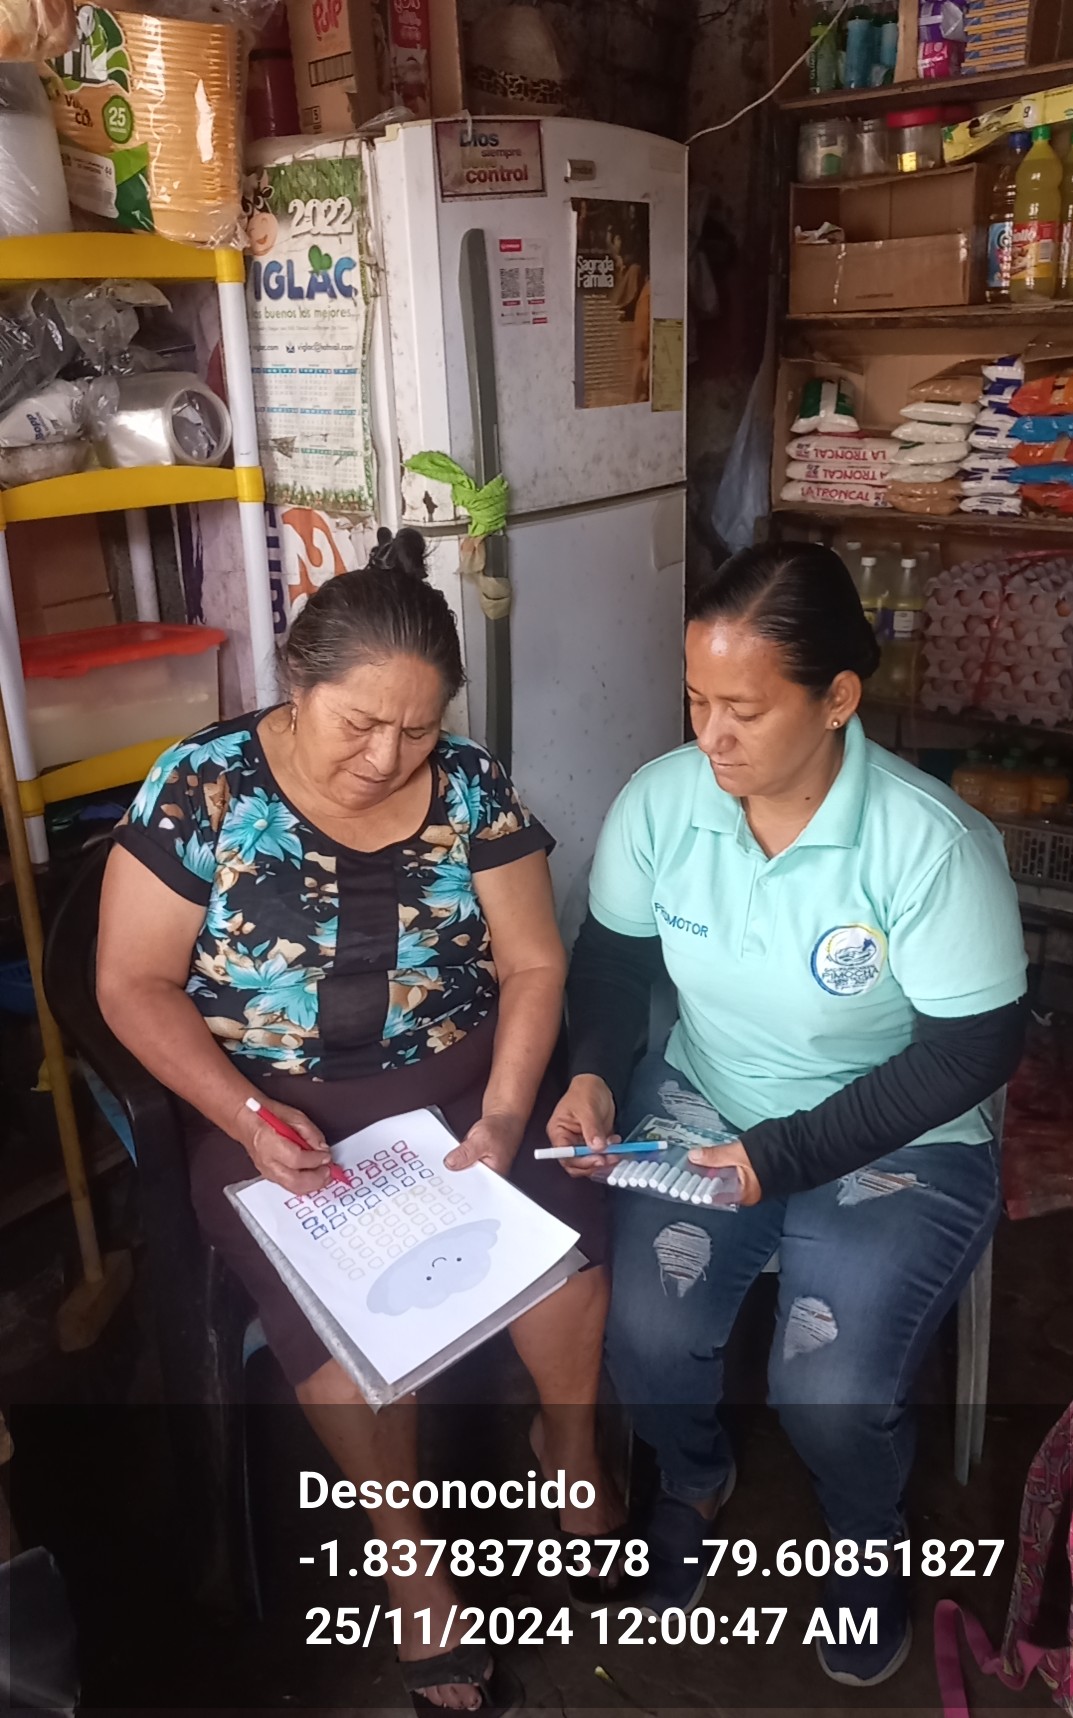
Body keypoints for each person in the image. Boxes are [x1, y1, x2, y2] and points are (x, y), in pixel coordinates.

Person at [97, 528, 619, 1715]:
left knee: (565, 1263)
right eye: (361, 724)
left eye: (419, 729)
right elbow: (130, 980)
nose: (389, 757)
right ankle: (410, 1560)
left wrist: (502, 1117)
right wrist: (245, 1112)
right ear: (297, 684)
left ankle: (570, 1450)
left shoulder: (473, 783)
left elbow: (535, 965)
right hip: (273, 1112)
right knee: (350, 1334)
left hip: (464, 1082)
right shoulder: (204, 784)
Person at [547, 542, 1029, 1688]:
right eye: (696, 701)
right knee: (643, 1335)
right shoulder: (665, 801)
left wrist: (787, 1151)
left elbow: (974, 1048)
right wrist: (594, 1071)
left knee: (829, 1385)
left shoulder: (928, 844)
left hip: (901, 1136)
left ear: (837, 699)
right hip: (710, 1095)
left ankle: (865, 1535)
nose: (710, 738)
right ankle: (693, 1475)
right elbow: (612, 963)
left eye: (745, 710)